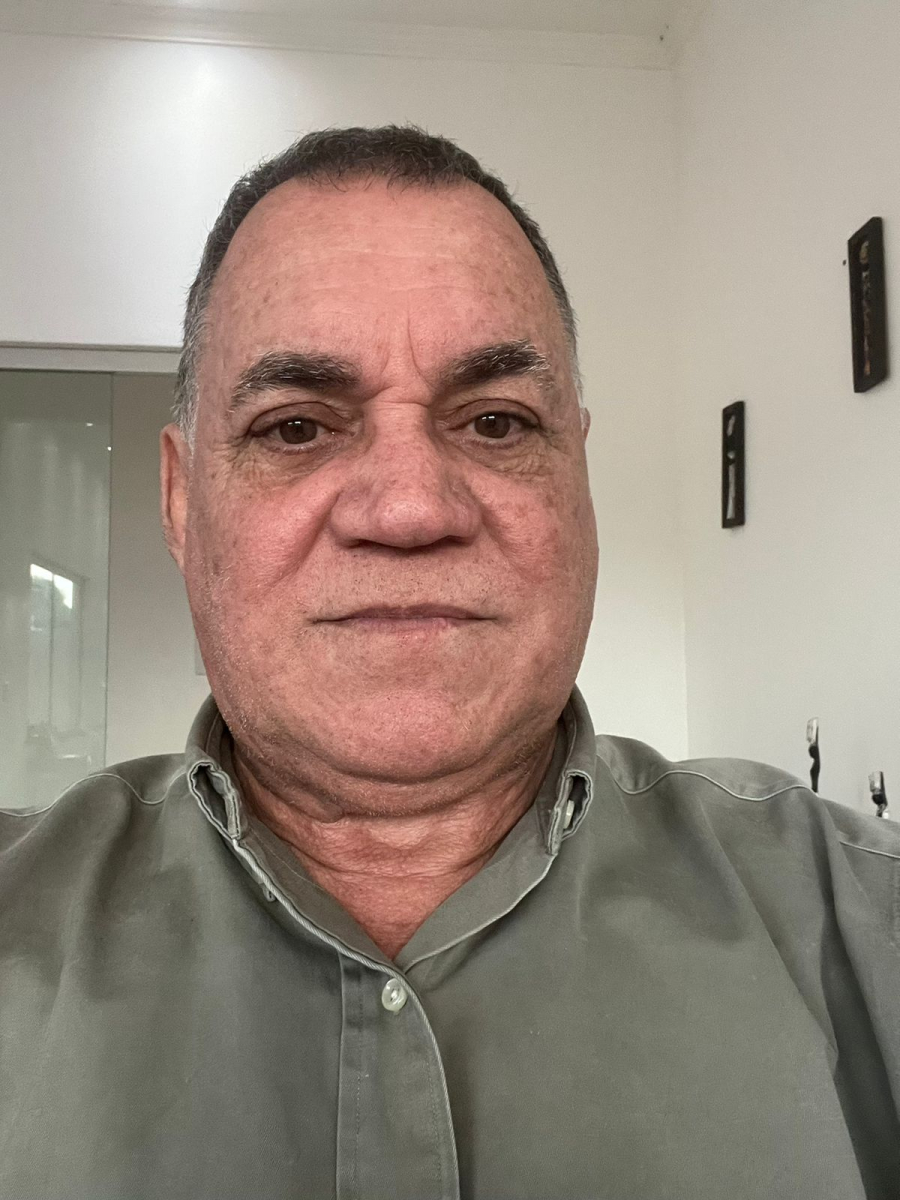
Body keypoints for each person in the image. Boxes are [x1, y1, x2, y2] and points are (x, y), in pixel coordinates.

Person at [1, 126, 898, 1200]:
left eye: (496, 422)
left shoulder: (861, 927)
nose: (411, 508)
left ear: (578, 478)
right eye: (296, 428)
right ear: (182, 501)